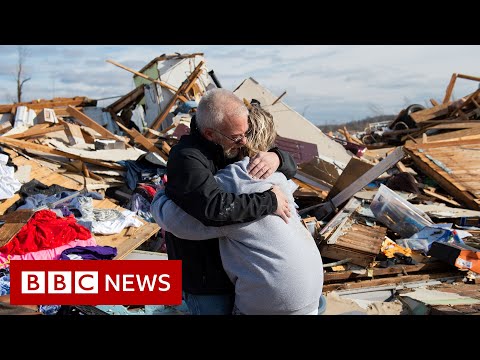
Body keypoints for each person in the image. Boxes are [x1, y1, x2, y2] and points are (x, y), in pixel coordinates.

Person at [152, 103, 323, 315]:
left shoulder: (234, 181)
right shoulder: (277, 176)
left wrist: (161, 194)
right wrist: (278, 158)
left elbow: (178, 222)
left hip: (273, 298)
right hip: (311, 290)